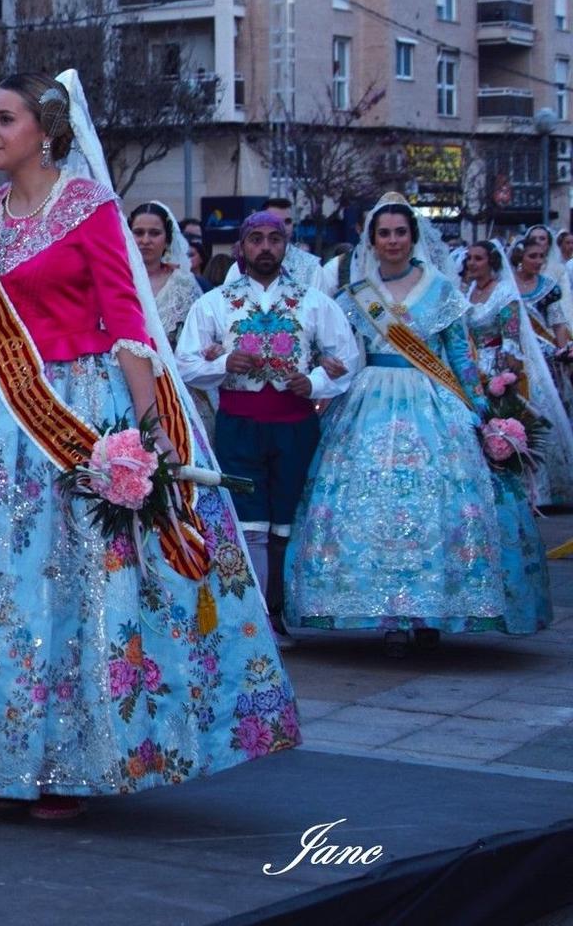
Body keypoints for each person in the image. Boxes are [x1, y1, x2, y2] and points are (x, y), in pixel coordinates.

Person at [0, 72, 297, 820]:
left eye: (4, 118)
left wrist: (148, 435)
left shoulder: (89, 208)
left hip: (76, 411)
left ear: (46, 129)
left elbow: (127, 320)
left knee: (71, 587)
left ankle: (65, 764)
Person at [287, 198, 530, 655]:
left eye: (401, 232)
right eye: (385, 234)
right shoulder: (355, 295)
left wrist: (480, 408)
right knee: (368, 505)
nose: (393, 241)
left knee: (436, 507)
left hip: (432, 403)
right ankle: (387, 616)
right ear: (372, 240)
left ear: (413, 237)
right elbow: (340, 351)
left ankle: (431, 611)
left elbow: (458, 354)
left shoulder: (442, 290)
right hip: (367, 401)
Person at [174, 211, 359, 644]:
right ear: (241, 246)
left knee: (288, 520)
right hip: (239, 424)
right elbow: (184, 364)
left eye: (275, 239)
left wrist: (312, 381)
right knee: (249, 521)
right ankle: (253, 617)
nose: (265, 247)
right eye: (255, 238)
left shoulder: (313, 302)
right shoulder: (215, 302)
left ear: (287, 245)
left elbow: (346, 359)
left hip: (295, 424)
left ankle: (282, 610)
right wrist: (223, 364)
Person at [461, 245, 573, 602]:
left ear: (491, 263)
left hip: (495, 367)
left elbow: (510, 336)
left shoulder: (504, 293)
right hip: (470, 367)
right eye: (469, 258)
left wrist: (504, 376)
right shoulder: (467, 292)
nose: (471, 263)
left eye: (478, 258)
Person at [128, 202, 198, 343]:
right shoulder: (113, 279)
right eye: (138, 233)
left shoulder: (183, 283)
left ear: (167, 240)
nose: (146, 240)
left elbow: (193, 342)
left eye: (154, 233)